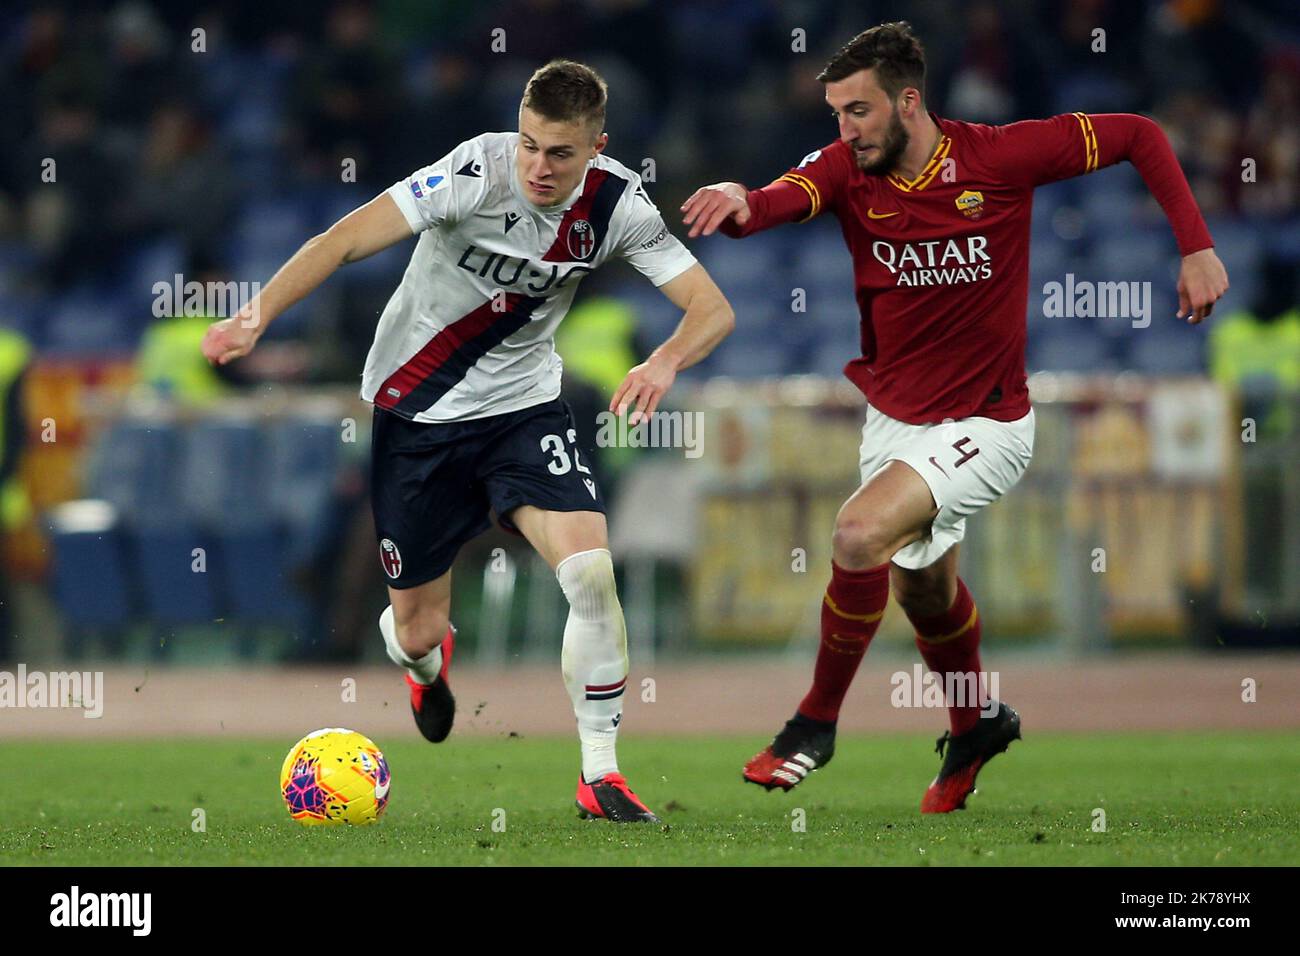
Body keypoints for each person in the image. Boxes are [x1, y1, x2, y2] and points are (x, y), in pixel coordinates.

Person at [681, 22, 1228, 813]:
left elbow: (1139, 134)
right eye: (836, 113)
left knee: (858, 534)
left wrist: (1196, 246)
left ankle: (814, 724)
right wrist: (739, 201)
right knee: (926, 594)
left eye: (860, 112)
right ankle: (975, 725)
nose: (845, 131)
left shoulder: (997, 158)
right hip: (895, 423)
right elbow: (775, 201)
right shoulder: (845, 168)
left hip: (991, 422)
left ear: (909, 101)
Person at [203, 59, 734, 823]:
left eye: (559, 153)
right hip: (416, 419)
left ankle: (600, 773)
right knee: (414, 629)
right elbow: (345, 238)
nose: (538, 167)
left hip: (525, 411)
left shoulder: (618, 203)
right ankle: (426, 665)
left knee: (589, 573)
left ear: (596, 146)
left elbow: (711, 309)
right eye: (529, 145)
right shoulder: (474, 171)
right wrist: (257, 314)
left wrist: (664, 360)